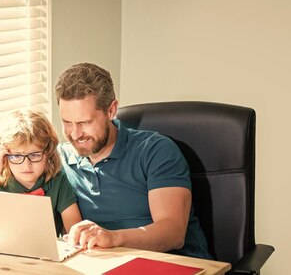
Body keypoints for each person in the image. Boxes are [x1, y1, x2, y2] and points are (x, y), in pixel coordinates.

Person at [55, 62, 212, 260]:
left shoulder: (156, 151)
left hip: (176, 264)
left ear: (111, 110)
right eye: (67, 123)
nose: (75, 134)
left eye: (84, 122)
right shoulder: (60, 159)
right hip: (104, 265)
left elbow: (173, 233)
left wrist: (112, 238)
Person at [0, 110, 82, 235]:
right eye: (16, 156)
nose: (27, 165)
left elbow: (75, 230)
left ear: (49, 153)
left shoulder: (58, 181)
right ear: (4, 157)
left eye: (35, 155)